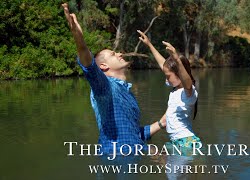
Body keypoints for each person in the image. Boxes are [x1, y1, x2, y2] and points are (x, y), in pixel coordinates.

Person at [62, 3, 165, 155]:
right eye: (113, 54)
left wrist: (161, 123)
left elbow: (133, 134)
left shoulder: (127, 92)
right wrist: (78, 37)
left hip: (132, 156)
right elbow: (89, 65)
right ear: (103, 66)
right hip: (115, 159)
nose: (119, 54)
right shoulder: (104, 86)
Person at [137, 30, 201, 148]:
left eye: (168, 77)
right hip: (176, 141)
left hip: (186, 142)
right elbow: (164, 65)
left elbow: (187, 82)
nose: (166, 80)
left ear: (180, 75)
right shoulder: (175, 88)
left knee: (166, 162)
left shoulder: (188, 93)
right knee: (161, 160)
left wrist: (177, 59)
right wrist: (149, 45)